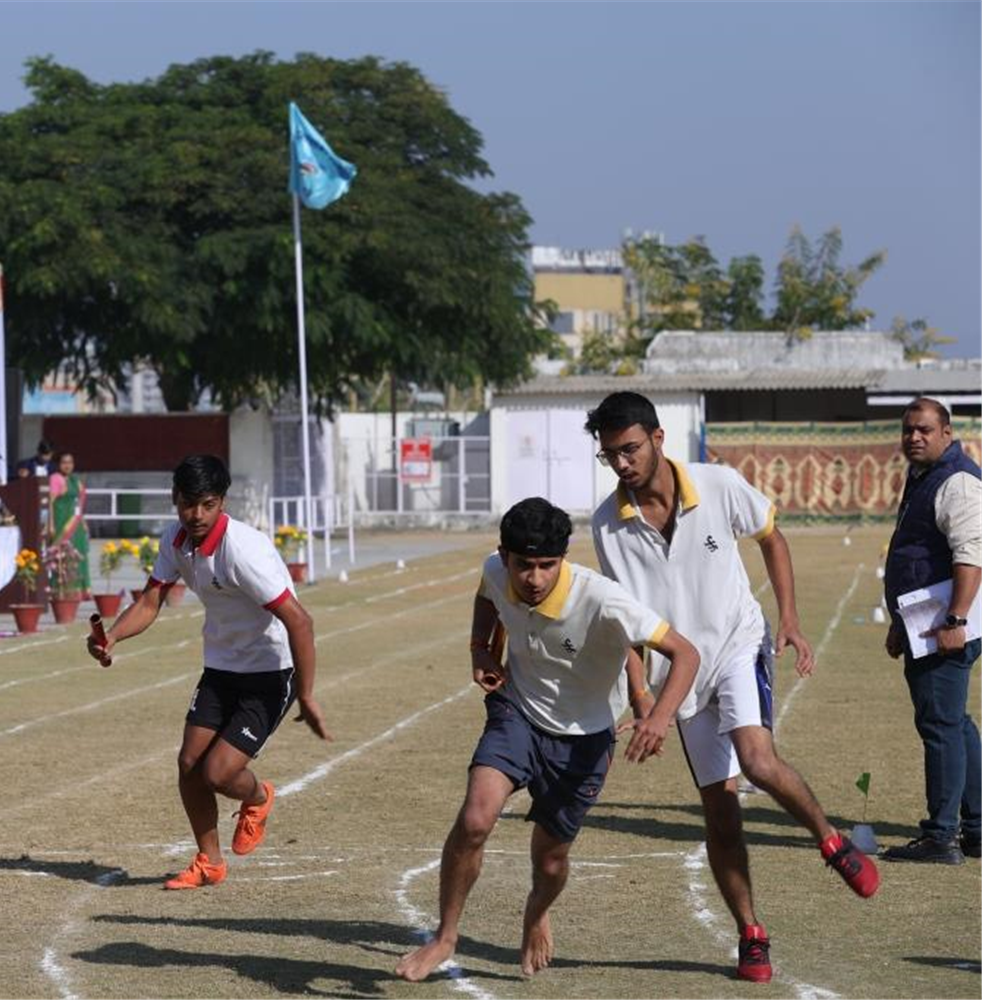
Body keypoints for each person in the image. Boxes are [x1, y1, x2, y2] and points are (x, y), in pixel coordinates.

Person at [585, 391, 879, 984]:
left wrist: (789, 618)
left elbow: (771, 536)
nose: (621, 464)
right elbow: (627, 622)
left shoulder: (717, 485)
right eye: (609, 454)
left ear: (658, 438)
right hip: (680, 676)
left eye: (629, 449)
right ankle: (751, 933)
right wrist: (642, 696)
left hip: (738, 643)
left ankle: (831, 841)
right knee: (720, 812)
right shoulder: (606, 525)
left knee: (758, 759)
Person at [396, 498, 701, 983]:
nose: (534, 578)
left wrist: (657, 715)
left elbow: (685, 653)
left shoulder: (603, 599)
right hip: (516, 712)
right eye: (523, 565)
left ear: (563, 559)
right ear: (505, 556)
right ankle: (446, 936)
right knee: (475, 819)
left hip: (584, 740)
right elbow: (486, 595)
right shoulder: (495, 570)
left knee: (551, 859)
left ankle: (537, 911)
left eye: (547, 565)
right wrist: (480, 648)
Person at [87, 454, 332, 890]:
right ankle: (209, 862)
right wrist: (113, 637)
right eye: (188, 504)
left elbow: (300, 621)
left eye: (208, 504)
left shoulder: (243, 551)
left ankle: (258, 797)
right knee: (188, 763)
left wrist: (308, 694)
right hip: (221, 667)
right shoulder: (175, 540)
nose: (196, 515)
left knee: (218, 773)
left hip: (270, 671)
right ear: (175, 499)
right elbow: (150, 601)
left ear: (222, 502)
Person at [880, 397, 982, 864]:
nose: (914, 437)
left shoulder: (956, 480)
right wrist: (900, 624)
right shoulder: (924, 475)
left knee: (940, 724)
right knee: (953, 721)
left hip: (947, 625)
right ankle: (977, 828)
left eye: (924, 429)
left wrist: (955, 620)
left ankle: (941, 836)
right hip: (925, 622)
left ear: (946, 432)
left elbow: (971, 556)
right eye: (908, 430)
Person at [49, 452, 91, 595]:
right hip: (61, 524)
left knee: (78, 554)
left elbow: (78, 504)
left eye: (70, 462)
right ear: (58, 464)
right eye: (64, 462)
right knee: (61, 556)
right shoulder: (56, 479)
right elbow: (50, 503)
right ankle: (62, 589)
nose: (67, 466)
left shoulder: (75, 480)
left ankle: (79, 589)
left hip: (76, 526)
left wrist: (83, 522)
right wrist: (50, 524)